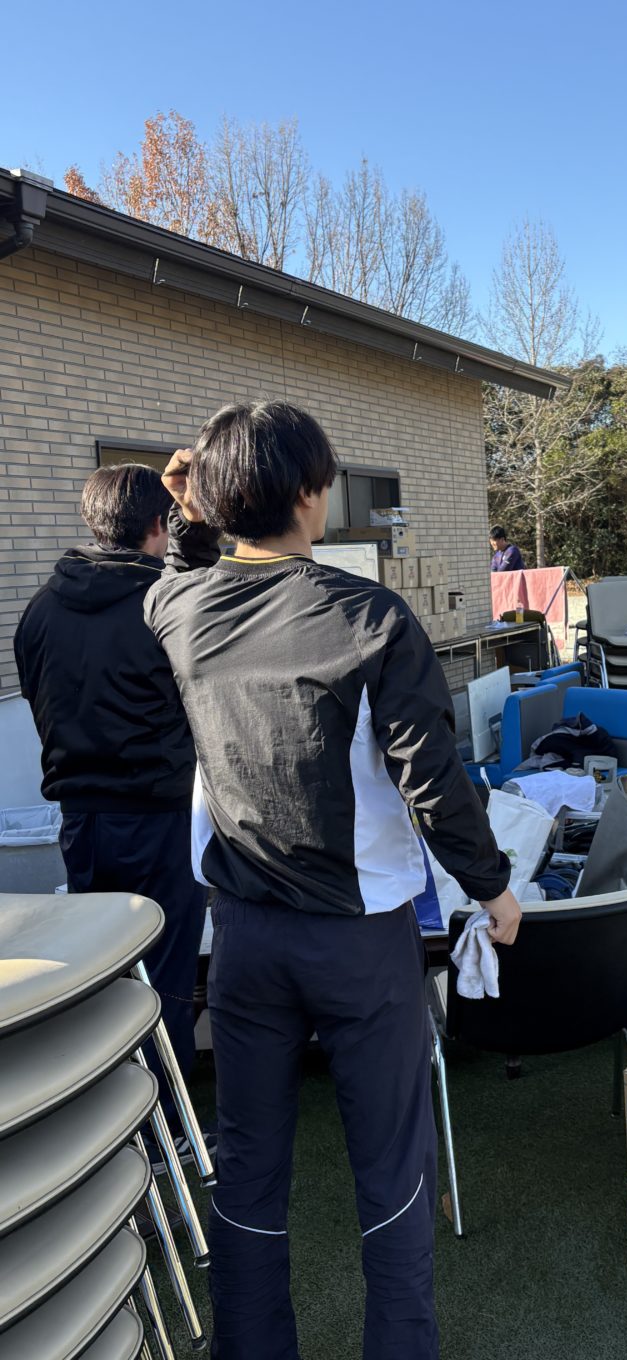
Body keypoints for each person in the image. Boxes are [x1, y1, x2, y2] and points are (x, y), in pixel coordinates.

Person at [146, 400, 522, 1360]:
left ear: (217, 502)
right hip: (359, 939)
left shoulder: (180, 612)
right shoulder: (367, 617)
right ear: (313, 495)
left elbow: (177, 575)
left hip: (243, 934)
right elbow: (433, 781)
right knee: (390, 1168)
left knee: (249, 1164)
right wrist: (493, 889)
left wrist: (191, 518)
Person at [14, 463, 209, 1169]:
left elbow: (37, 698)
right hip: (160, 818)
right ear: (158, 526)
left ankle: (108, 1132)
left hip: (82, 821)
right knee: (167, 978)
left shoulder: (40, 609)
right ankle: (168, 1135)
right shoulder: (163, 602)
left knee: (103, 981)